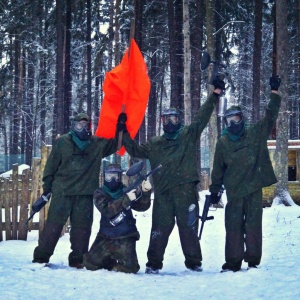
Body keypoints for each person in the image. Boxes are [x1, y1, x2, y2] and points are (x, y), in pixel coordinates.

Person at [118, 78, 225, 274]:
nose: (169, 122)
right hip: (164, 194)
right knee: (159, 229)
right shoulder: (155, 143)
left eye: (173, 119)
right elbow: (134, 149)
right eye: (165, 119)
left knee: (188, 228)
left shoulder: (187, 135)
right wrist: (123, 130)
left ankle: (194, 263)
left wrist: (215, 95)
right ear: (161, 122)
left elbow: (202, 117)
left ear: (179, 120)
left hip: (185, 191)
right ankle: (153, 264)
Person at [209, 75, 281, 272]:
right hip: (234, 192)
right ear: (226, 122)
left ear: (242, 118)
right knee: (233, 228)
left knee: (253, 227)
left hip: (253, 189)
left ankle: (253, 261)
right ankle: (232, 262)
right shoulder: (223, 143)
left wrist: (274, 93)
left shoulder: (254, 133)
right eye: (229, 120)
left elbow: (270, 116)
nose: (233, 123)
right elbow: (217, 169)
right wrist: (214, 190)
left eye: (236, 119)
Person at [32, 113, 118, 268]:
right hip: (62, 192)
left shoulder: (96, 144)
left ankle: (78, 259)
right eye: (79, 125)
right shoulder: (62, 142)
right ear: (73, 126)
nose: (83, 129)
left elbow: (115, 145)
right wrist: (47, 187)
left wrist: (120, 128)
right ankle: (41, 258)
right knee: (54, 226)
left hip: (85, 194)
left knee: (82, 229)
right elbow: (51, 167)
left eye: (86, 126)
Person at [83, 163, 152, 273]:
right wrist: (127, 199)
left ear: (120, 177)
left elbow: (142, 207)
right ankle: (110, 260)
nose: (113, 180)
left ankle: (116, 262)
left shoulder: (126, 190)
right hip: (106, 236)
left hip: (126, 236)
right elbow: (108, 210)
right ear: (104, 177)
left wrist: (145, 192)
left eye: (115, 176)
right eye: (109, 176)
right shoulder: (100, 193)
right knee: (90, 264)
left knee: (131, 269)